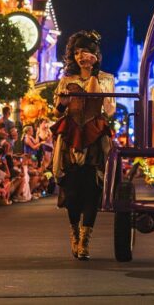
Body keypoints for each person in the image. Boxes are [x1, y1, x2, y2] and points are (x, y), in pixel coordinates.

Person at [52, 31, 115, 260]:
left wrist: (92, 74)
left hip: (94, 136)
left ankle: (85, 240)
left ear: (95, 54)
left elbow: (109, 110)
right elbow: (57, 110)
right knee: (71, 189)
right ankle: (74, 234)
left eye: (85, 51)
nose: (80, 57)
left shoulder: (106, 78)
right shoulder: (66, 80)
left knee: (92, 188)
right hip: (70, 135)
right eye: (77, 52)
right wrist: (63, 104)